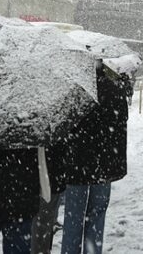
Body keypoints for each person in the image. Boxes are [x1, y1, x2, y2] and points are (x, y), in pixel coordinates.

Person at [59, 61, 134, 254]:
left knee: (73, 218)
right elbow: (121, 125)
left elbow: (63, 128)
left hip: (76, 166)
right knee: (97, 217)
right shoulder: (115, 89)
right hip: (105, 166)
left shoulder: (73, 91)